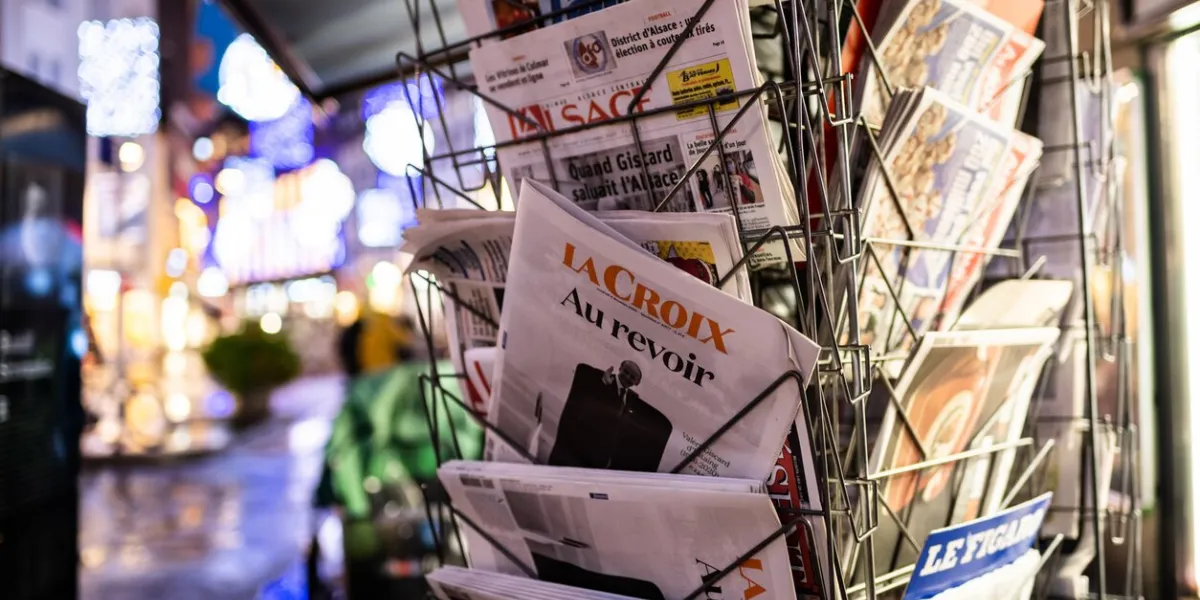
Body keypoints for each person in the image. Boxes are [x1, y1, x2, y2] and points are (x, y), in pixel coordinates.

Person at [547, 360, 672, 472]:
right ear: (620, 368)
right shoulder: (602, 381)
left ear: (637, 383)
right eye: (626, 372)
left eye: (632, 377)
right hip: (581, 449)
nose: (627, 377)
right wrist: (603, 386)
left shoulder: (630, 400)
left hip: (600, 459)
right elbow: (589, 407)